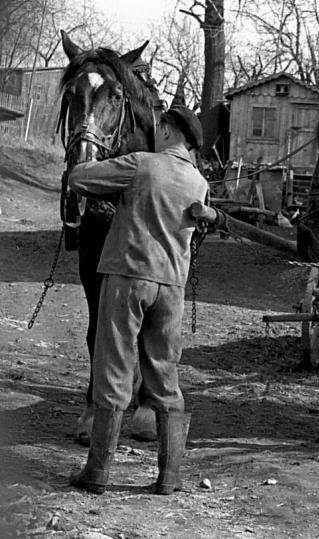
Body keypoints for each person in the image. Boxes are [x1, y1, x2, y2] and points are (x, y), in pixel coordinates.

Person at [67, 105, 208, 494]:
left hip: (129, 275)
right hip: (172, 287)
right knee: (164, 372)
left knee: (113, 365)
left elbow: (80, 178)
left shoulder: (142, 163)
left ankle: (97, 472)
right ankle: (169, 476)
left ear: (164, 130)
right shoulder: (198, 182)